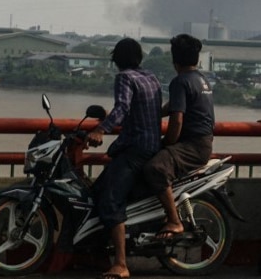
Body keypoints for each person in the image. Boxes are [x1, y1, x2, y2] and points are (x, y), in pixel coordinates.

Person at [87, 37, 162, 279]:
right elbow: (143, 110)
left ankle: (121, 263)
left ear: (117, 60)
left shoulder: (124, 78)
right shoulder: (151, 78)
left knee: (109, 200)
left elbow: (122, 108)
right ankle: (100, 253)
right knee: (98, 190)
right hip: (152, 146)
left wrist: (100, 130)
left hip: (134, 149)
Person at [143, 33, 214, 240]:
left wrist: (167, 144)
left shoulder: (180, 81)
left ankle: (174, 219)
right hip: (202, 143)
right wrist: (153, 112)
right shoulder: (201, 80)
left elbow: (177, 121)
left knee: (154, 168)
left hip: (192, 145)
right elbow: (176, 106)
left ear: (175, 61)